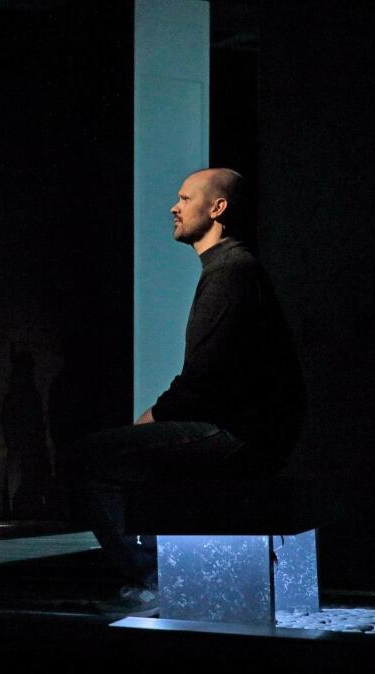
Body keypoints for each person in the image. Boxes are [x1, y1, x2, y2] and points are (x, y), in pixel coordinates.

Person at [74, 168, 303, 615]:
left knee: (90, 459)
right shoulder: (228, 267)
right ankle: (166, 572)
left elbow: (205, 375)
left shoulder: (232, 270)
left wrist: (154, 417)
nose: (174, 207)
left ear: (217, 208)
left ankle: (156, 579)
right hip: (248, 429)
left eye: (184, 198)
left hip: (242, 435)